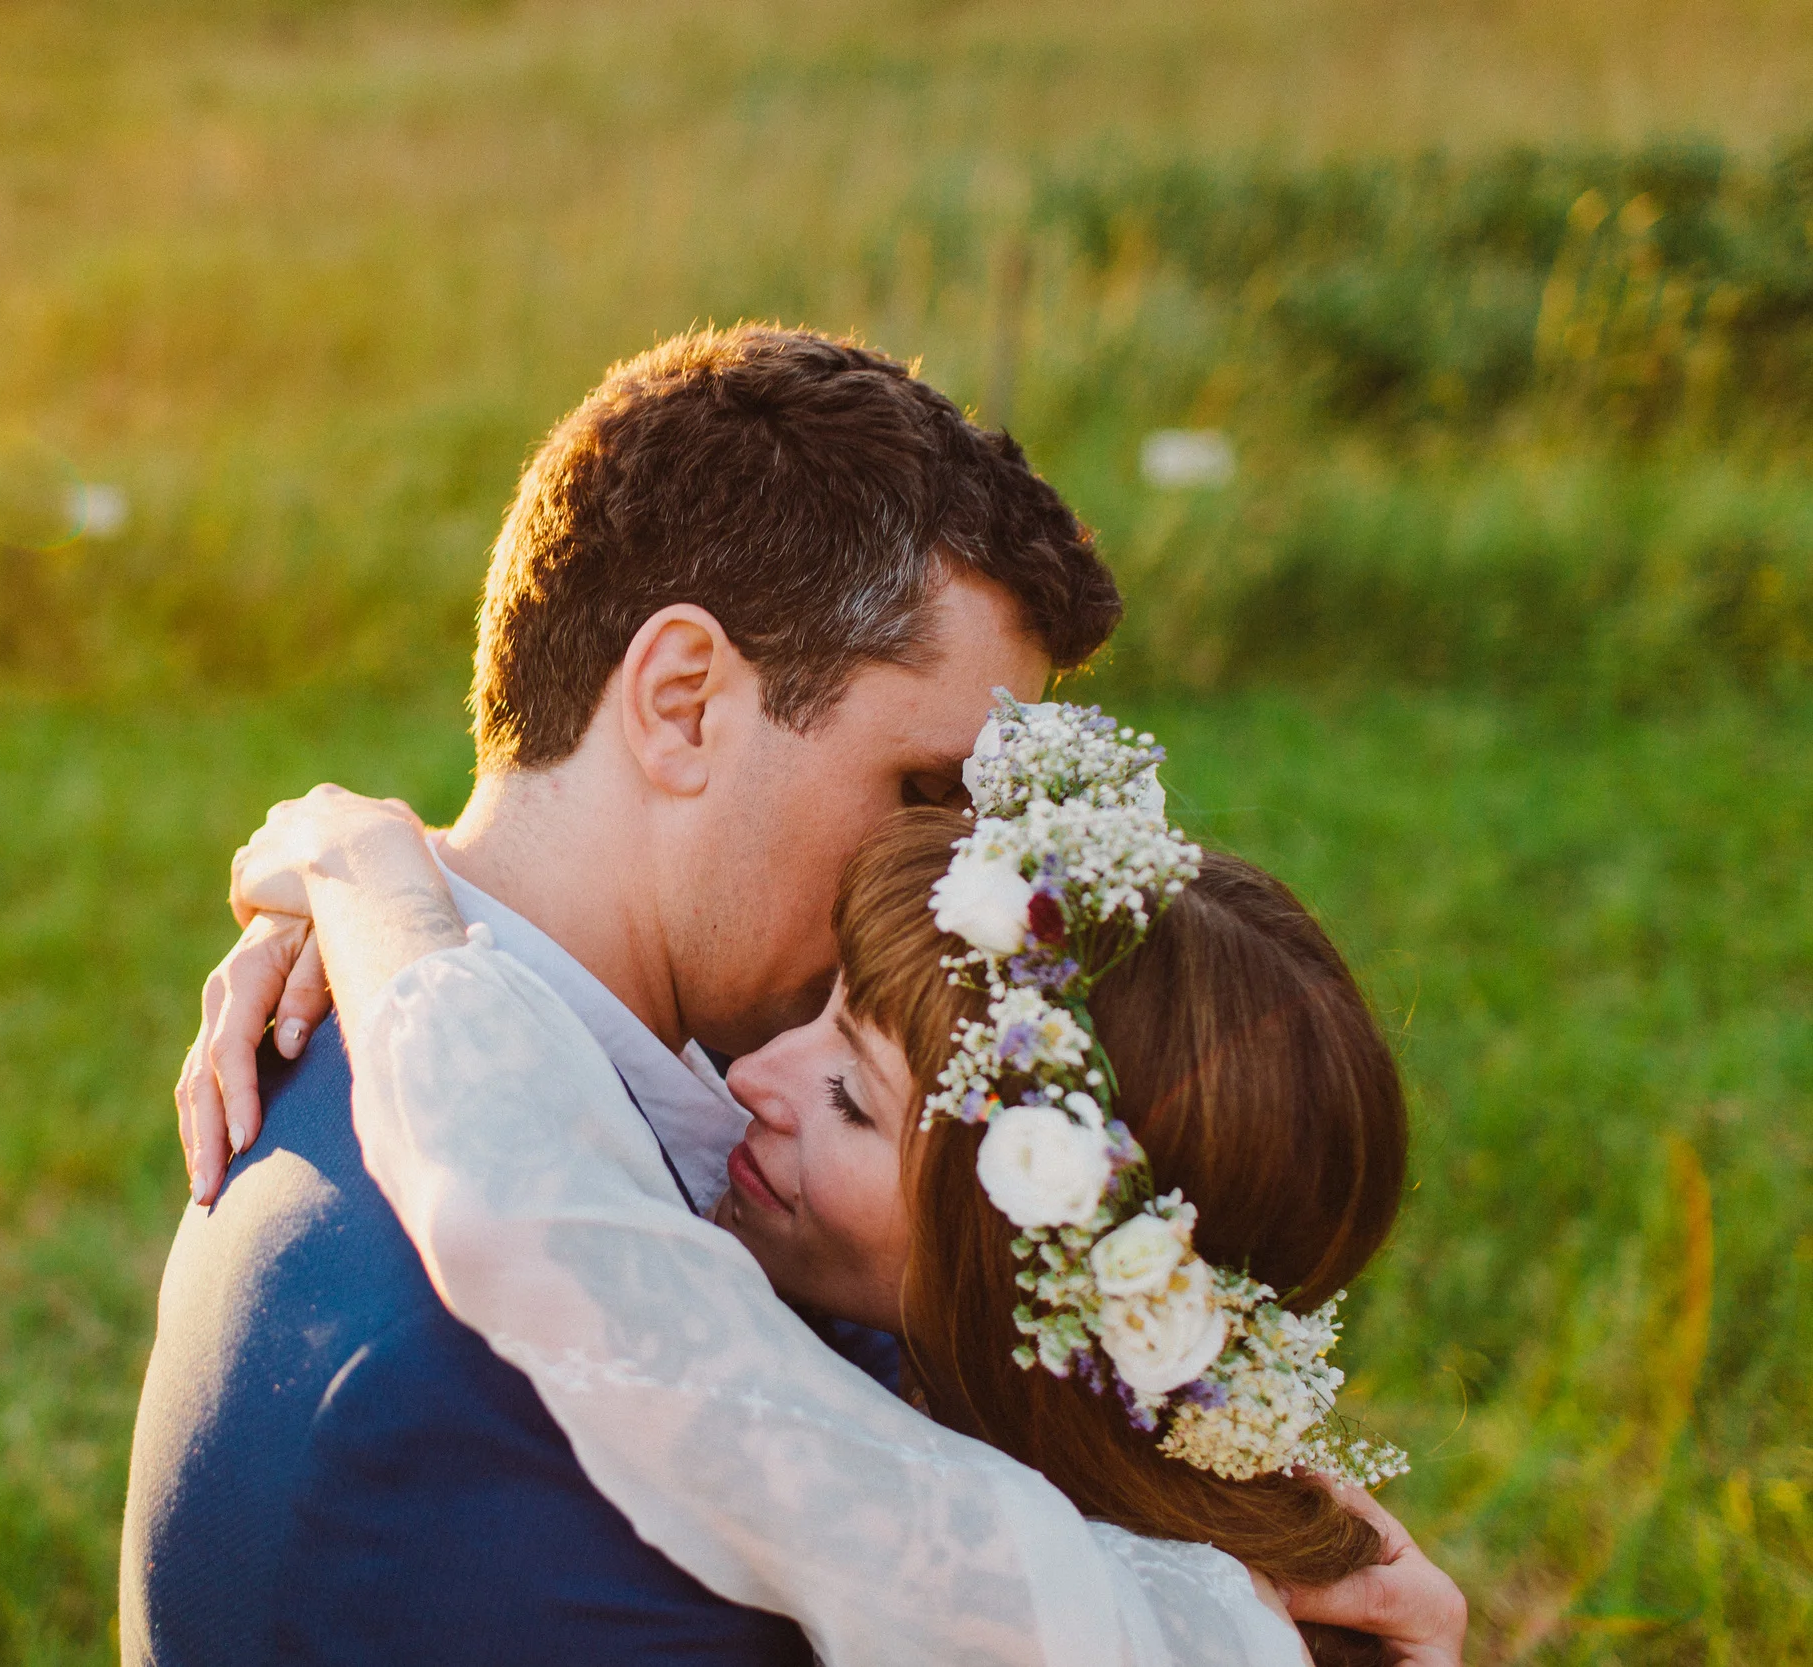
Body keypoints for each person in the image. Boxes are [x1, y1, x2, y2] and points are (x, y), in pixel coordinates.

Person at [125, 326, 1460, 1664]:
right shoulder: (493, 1398)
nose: (949, 893)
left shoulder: (563, 1090)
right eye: (923, 791)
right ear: (685, 700)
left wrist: (379, 879)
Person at [210, 700, 1467, 1666]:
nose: (757, 1070)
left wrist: (372, 877)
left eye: (853, 1097)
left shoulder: (1017, 1576)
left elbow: (531, 1220)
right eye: (826, 1009)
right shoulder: (1019, 1420)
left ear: (1010, 1266)